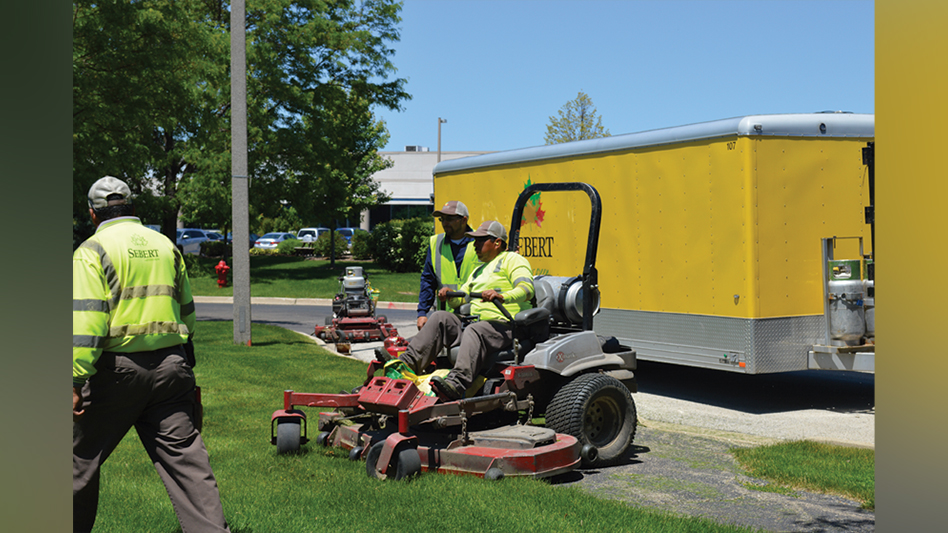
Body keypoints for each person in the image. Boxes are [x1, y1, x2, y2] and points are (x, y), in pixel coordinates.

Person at [73, 176, 230, 533]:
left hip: (115, 374)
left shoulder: (92, 251)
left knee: (74, 462)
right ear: (133, 208)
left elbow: (87, 323)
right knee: (189, 467)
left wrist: (74, 378)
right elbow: (186, 312)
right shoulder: (165, 246)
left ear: (93, 213)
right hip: (172, 369)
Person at [399, 220, 535, 401]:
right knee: (441, 317)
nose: (475, 245)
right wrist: (450, 295)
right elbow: (461, 300)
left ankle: (456, 384)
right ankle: (404, 366)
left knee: (474, 329)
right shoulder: (478, 271)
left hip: (506, 326)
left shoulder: (513, 260)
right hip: (478, 326)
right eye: (475, 241)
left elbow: (527, 289)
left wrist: (502, 296)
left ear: (497, 243)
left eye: (481, 241)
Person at [416, 200, 482, 330]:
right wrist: (422, 312)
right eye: (442, 219)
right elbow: (428, 280)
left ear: (464, 220)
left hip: (476, 314)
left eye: (450, 219)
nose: (445, 223)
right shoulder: (436, 243)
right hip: (447, 315)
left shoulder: (480, 241)